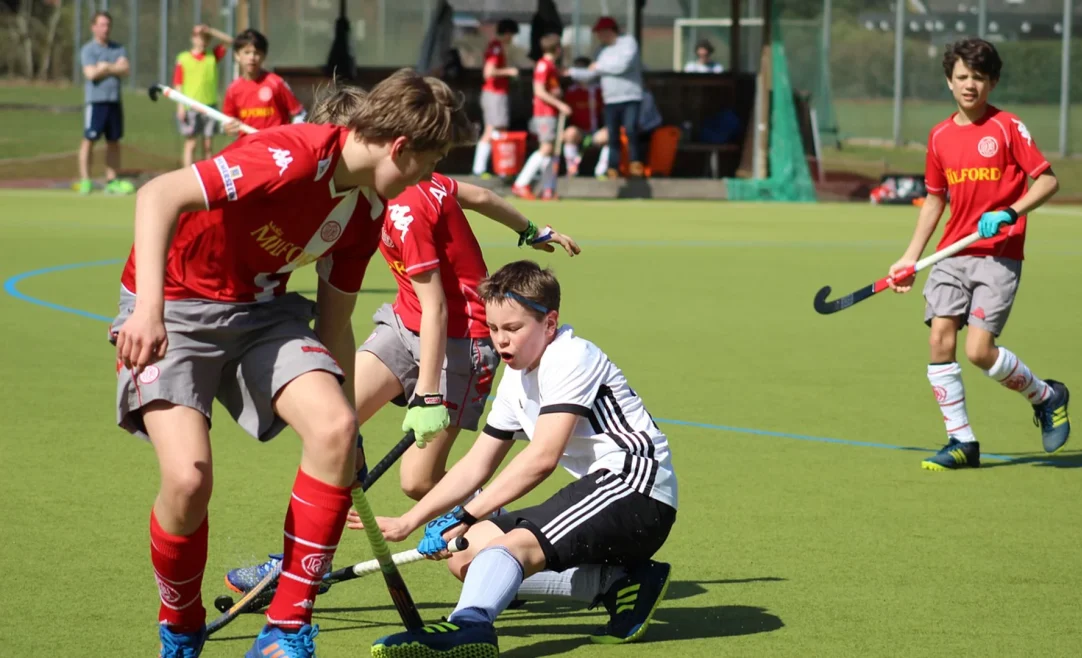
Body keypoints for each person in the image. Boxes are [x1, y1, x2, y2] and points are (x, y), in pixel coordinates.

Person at [110, 69, 467, 658]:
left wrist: (348, 427)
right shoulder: (288, 157)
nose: (428, 178)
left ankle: (285, 629)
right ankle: (180, 623)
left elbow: (333, 324)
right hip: (171, 306)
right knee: (188, 479)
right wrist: (147, 309)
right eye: (427, 164)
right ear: (399, 147)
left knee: (333, 428)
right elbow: (158, 195)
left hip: (261, 313)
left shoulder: (366, 212)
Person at [222, 84, 581, 597]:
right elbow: (477, 195)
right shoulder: (388, 187)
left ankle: (499, 527)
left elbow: (436, 305)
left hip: (462, 340)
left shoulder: (403, 205)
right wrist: (531, 230)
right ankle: (303, 562)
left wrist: (428, 393)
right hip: (401, 325)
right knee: (329, 430)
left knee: (417, 481)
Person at [349, 260, 678, 657]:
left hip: (636, 487)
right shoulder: (515, 377)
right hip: (602, 491)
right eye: (493, 329)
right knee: (467, 557)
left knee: (512, 546)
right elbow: (477, 463)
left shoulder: (571, 356)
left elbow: (542, 458)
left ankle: (469, 626)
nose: (501, 341)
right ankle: (618, 583)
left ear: (550, 324)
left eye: (514, 329)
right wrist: (411, 520)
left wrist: (466, 515)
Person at [885, 38, 1071, 471]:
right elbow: (934, 201)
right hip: (952, 252)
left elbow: (1047, 181)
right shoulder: (940, 136)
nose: (970, 85)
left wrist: (1009, 211)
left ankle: (1046, 396)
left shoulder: (1008, 127)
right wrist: (909, 258)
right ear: (949, 82)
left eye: (979, 78)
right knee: (939, 337)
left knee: (979, 351)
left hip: (998, 254)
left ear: (992, 82)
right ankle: (961, 441)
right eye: (962, 77)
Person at [567, 17, 645, 178]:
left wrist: (600, 67)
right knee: (612, 134)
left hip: (630, 97)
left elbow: (622, 66)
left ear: (609, 30)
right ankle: (612, 168)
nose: (599, 36)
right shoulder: (601, 51)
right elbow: (591, 73)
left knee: (630, 129)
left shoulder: (628, 43)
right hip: (610, 99)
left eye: (600, 32)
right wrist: (571, 72)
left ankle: (635, 164)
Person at [78, 11, 134, 195]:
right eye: (101, 25)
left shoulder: (118, 48)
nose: (105, 29)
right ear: (93, 27)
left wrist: (105, 67)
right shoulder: (88, 50)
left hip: (114, 101)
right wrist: (112, 67)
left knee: (114, 141)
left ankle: (111, 180)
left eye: (108, 25)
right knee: (89, 140)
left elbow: (125, 69)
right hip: (96, 102)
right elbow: (91, 74)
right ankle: (86, 180)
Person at [511, 33, 572, 200]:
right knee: (545, 148)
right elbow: (539, 91)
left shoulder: (551, 67)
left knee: (549, 151)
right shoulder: (543, 66)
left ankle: (547, 190)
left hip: (550, 113)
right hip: (544, 113)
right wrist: (560, 104)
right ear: (558, 49)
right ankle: (521, 184)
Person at [222, 29, 306, 135]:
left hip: (275, 147)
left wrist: (290, 135)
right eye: (247, 52)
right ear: (237, 56)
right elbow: (228, 122)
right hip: (248, 146)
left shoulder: (276, 83)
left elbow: (299, 113)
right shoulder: (233, 89)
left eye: (256, 53)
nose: (252, 57)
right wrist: (228, 128)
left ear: (264, 56)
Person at [173, 24, 232, 168]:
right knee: (191, 143)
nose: (202, 41)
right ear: (193, 38)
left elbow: (230, 41)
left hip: (210, 105)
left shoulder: (212, 56)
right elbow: (178, 82)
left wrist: (211, 30)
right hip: (190, 106)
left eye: (206, 38)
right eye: (199, 37)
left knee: (208, 145)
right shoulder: (184, 58)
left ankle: (208, 174)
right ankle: (186, 174)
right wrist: (180, 106)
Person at [472, 19, 521, 179]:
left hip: (495, 93)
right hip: (494, 93)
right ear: (507, 33)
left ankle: (500, 167)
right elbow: (489, 72)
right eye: (512, 35)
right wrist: (510, 71)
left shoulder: (496, 47)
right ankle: (480, 168)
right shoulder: (496, 47)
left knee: (499, 130)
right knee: (492, 130)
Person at [561, 56, 603, 175]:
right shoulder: (571, 92)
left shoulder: (600, 90)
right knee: (570, 133)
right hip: (580, 133)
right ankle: (572, 169)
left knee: (610, 134)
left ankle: (602, 171)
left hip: (596, 133)